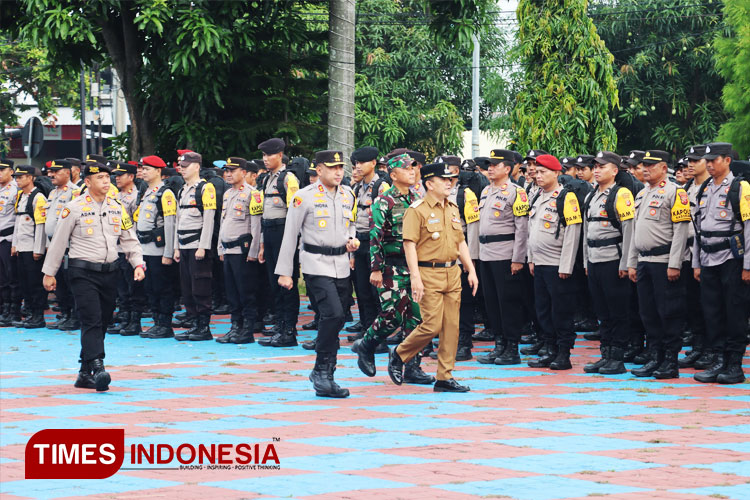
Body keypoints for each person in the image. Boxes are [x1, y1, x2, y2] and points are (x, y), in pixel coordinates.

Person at [42, 161, 145, 391]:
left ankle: (83, 373)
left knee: (104, 320)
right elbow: (58, 243)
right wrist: (49, 273)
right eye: (100, 178)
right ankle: (98, 367)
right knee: (92, 318)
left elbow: (128, 238)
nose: (106, 182)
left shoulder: (117, 206)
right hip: (82, 272)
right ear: (87, 182)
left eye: (108, 178)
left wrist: (138, 263)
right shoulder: (74, 207)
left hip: (110, 271)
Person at [387, 162, 479, 392]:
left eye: (451, 180)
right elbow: (409, 245)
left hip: (452, 272)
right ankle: (400, 353)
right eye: (444, 179)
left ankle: (444, 377)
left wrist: (471, 269)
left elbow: (460, 241)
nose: (449, 183)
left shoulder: (452, 208)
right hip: (428, 272)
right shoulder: (417, 210)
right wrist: (415, 277)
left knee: (451, 327)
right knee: (431, 325)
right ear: (429, 183)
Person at [276, 150, 358, 398]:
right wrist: (285, 272)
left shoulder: (348, 195)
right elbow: (290, 234)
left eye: (340, 167)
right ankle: (322, 371)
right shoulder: (304, 197)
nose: (338, 172)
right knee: (332, 313)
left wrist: (352, 242)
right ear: (319, 170)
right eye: (332, 168)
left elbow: (350, 225)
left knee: (339, 317)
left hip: (341, 264)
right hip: (315, 263)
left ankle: (326, 373)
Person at [351, 153, 434, 385]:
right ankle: (366, 345)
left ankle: (412, 367)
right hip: (390, 266)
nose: (412, 171)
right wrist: (375, 269)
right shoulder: (383, 200)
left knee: (416, 318)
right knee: (392, 314)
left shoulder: (417, 198)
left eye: (413, 168)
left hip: (413, 266)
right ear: (394, 174)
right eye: (407, 168)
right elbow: (375, 235)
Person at [627, 150, 691, 379]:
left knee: (669, 313)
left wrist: (675, 263)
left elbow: (681, 230)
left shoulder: (676, 192)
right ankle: (655, 357)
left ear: (664, 168)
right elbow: (636, 231)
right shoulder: (642, 194)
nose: (645, 169)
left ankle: (670, 361)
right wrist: (632, 262)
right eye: (643, 165)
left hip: (664, 262)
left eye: (651, 166)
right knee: (648, 313)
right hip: (644, 261)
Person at [691, 142, 749, 384]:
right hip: (707, 259)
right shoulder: (704, 188)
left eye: (715, 160)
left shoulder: (740, 187)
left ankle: (734, 365)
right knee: (712, 312)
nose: (710, 164)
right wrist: (696, 262)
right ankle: (717, 360)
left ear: (727, 160)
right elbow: (698, 229)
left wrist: (748, 265)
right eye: (708, 160)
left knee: (734, 312)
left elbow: (749, 228)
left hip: (731, 259)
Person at [526, 154, 582, 370]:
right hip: (539, 263)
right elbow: (532, 231)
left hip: (557, 264)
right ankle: (549, 349)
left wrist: (566, 265)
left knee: (561, 310)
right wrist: (531, 259)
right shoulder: (537, 197)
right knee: (543, 309)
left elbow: (572, 233)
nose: (537, 175)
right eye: (536, 172)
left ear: (557, 173)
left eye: (543, 172)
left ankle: (563, 353)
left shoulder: (566, 197)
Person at [582, 151, 636, 374]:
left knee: (618, 311)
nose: (596, 170)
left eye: (602, 166)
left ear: (614, 170)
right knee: (602, 311)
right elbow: (587, 231)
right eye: (595, 166)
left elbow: (629, 230)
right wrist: (586, 261)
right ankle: (605, 354)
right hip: (594, 260)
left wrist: (626, 262)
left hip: (613, 260)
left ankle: (617, 356)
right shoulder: (591, 195)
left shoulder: (621, 194)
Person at [474, 149, 530, 366]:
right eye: (488, 164)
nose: (490, 168)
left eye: (495, 165)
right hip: (487, 254)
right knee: (492, 303)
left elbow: (522, 228)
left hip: (506, 255)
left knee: (508, 303)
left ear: (507, 168)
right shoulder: (486, 191)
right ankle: (499, 344)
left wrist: (518, 258)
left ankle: (512, 347)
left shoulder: (517, 192)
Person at [257, 138, 300, 347]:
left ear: (280, 155)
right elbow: (264, 215)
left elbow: (294, 213)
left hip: (285, 233)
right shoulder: (267, 179)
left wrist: (291, 243)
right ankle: (280, 326)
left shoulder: (288, 179)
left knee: (287, 284)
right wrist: (263, 244)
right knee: (275, 284)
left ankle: (289, 331)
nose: (266, 159)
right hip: (270, 233)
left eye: (269, 155)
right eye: (264, 156)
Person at [216, 157, 262, 344]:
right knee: (232, 293)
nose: (228, 174)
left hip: (243, 252)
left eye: (232, 171)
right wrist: (220, 246)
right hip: (228, 250)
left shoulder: (253, 194)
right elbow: (223, 222)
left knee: (246, 292)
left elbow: (256, 225)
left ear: (244, 173)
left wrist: (253, 251)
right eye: (226, 170)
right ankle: (235, 326)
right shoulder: (227, 194)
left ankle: (247, 329)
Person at [174, 151, 217, 341]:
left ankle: (203, 326)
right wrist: (176, 246)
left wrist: (203, 246)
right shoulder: (183, 190)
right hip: (184, 245)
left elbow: (209, 219)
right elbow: (178, 220)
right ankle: (193, 323)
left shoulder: (205, 188)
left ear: (197, 166)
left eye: (186, 166)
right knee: (187, 287)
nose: (182, 169)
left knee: (201, 286)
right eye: (181, 166)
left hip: (197, 245)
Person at [349, 146, 390, 342]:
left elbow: (385, 220)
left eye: (362, 163)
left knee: (376, 292)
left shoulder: (381, 186)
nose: (358, 166)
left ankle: (378, 334)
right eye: (356, 163)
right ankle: (366, 329)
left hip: (376, 242)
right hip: (359, 242)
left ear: (373, 163)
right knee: (362, 291)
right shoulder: (357, 187)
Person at [135, 155, 178, 339]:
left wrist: (168, 252)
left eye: (147, 169)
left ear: (159, 171)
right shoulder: (147, 192)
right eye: (143, 168)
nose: (143, 172)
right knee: (151, 288)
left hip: (159, 250)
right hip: (146, 249)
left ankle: (165, 324)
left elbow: (170, 224)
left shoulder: (165, 193)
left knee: (163, 287)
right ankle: (156, 321)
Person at [109, 161, 147, 336]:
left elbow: (134, 226)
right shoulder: (114, 195)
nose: (116, 178)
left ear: (131, 177)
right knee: (121, 288)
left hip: (128, 248)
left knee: (133, 288)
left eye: (120, 175)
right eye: (115, 175)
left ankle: (134, 321)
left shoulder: (136, 197)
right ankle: (124, 318)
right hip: (114, 248)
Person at [679, 144, 709, 368]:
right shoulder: (687, 187)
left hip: (709, 253)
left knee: (708, 304)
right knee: (692, 305)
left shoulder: (711, 187)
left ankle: (710, 350)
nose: (690, 165)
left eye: (695, 160)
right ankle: (698, 348)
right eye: (688, 160)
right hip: (687, 253)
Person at [43, 159, 81, 331]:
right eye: (51, 172)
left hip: (68, 245)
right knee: (59, 282)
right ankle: (65, 313)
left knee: (69, 281)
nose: (51, 175)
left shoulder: (74, 192)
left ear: (68, 173)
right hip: (54, 244)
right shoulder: (53, 193)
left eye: (56, 172)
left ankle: (74, 315)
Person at [11, 165, 47, 329]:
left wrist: (38, 249)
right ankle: (30, 313)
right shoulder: (20, 196)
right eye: (16, 177)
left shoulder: (38, 197)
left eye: (21, 177)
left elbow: (40, 225)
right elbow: (18, 222)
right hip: (21, 247)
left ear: (31, 178)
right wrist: (14, 244)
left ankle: (38, 315)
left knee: (35, 283)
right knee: (24, 282)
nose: (18, 180)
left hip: (33, 247)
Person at [0, 159, 20, 326]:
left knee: (11, 276)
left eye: (2, 170)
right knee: (2, 277)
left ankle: (14, 310)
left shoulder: (16, 190)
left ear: (11, 171)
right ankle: (4, 308)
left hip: (9, 238)